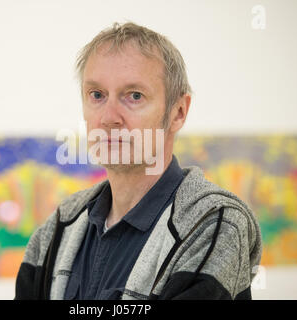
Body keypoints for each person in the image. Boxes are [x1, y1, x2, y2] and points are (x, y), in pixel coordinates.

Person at [15, 21, 262, 300]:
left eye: (134, 96)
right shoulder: (59, 226)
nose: (108, 118)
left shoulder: (213, 222)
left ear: (178, 112)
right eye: (96, 95)